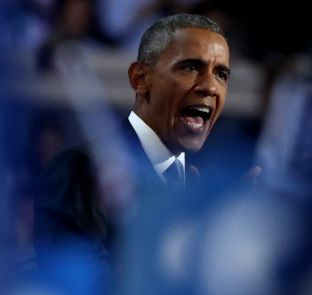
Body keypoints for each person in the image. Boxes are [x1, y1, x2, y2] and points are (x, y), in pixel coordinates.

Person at [33, 13, 229, 266]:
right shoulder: (77, 172)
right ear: (141, 79)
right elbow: (61, 283)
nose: (208, 87)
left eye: (220, 74)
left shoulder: (212, 182)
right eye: (189, 69)